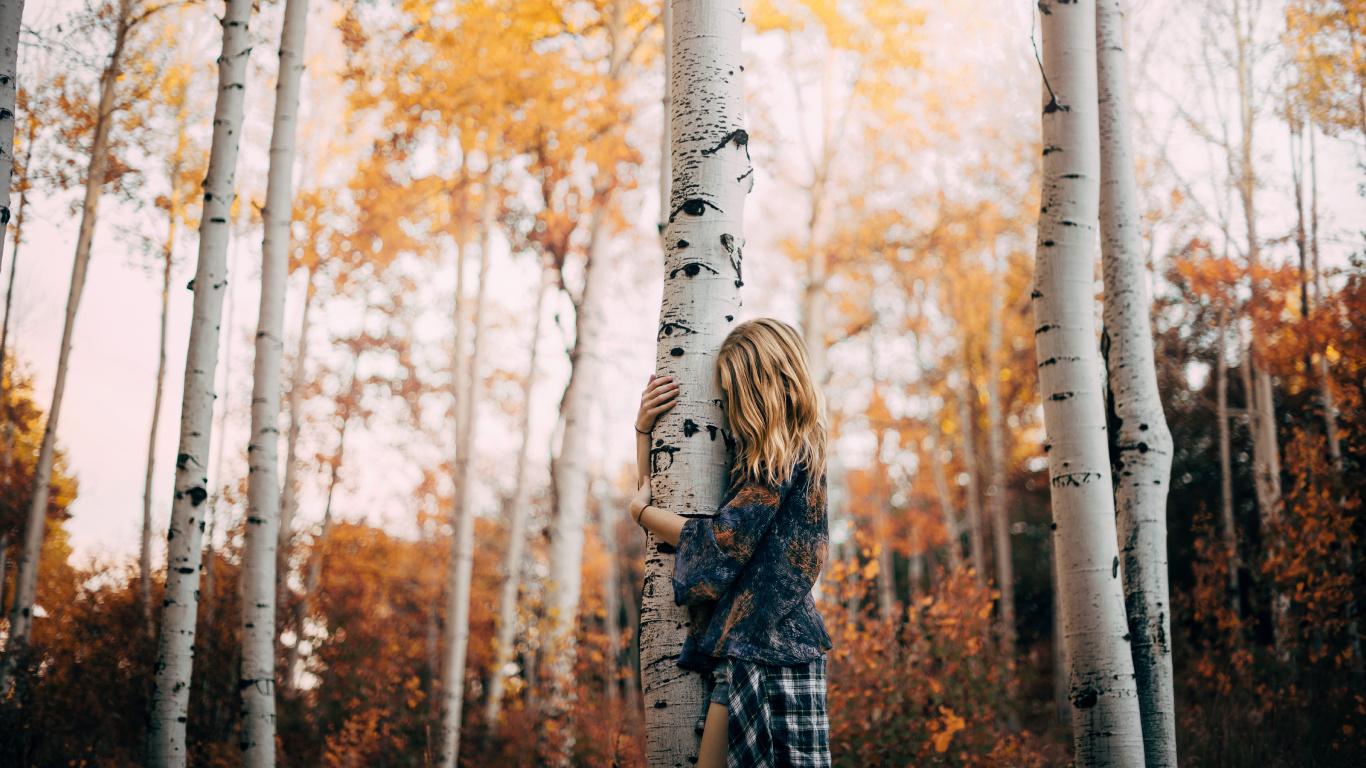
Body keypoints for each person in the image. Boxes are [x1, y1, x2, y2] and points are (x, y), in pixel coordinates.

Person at [629, 317, 833, 768]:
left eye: (733, 394)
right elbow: (655, 491)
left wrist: (641, 516)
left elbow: (721, 541)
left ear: (761, 388)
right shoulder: (771, 452)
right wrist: (645, 432)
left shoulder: (782, 456)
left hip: (773, 655)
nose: (730, 407)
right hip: (753, 650)